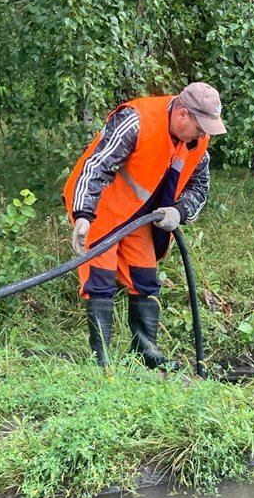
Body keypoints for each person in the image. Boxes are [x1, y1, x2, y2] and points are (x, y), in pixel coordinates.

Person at [63, 82, 226, 369]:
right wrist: (83, 215)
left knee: (145, 281)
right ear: (183, 114)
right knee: (99, 282)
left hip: (141, 219)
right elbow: (95, 166)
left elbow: (199, 186)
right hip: (104, 214)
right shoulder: (137, 120)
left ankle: (145, 351)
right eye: (201, 127)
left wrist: (179, 211)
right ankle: (100, 360)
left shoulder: (197, 141)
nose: (204, 135)